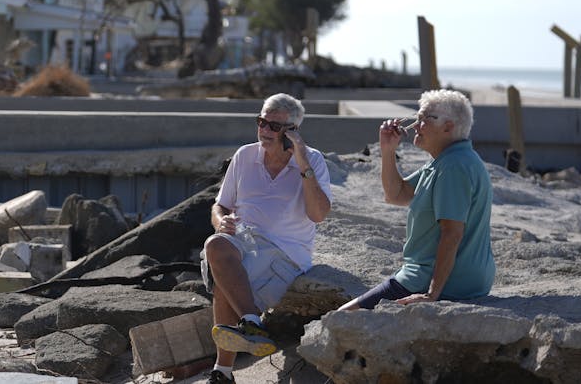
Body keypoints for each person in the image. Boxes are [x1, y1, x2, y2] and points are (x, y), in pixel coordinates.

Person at [201, 93, 332, 383]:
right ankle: (251, 322)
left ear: (292, 132)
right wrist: (222, 221)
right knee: (216, 244)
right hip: (243, 240)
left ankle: (222, 372)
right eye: (261, 122)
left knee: (226, 276)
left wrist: (302, 163)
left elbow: (319, 214)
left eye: (274, 126)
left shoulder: (312, 161)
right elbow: (220, 205)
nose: (264, 130)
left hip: (284, 253)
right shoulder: (244, 155)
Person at [340, 89, 495, 311]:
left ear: (448, 127)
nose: (414, 126)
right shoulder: (446, 160)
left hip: (437, 280)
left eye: (424, 119)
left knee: (340, 317)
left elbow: (452, 233)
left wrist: (431, 294)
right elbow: (397, 195)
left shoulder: (453, 166)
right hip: (449, 276)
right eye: (416, 118)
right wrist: (388, 150)